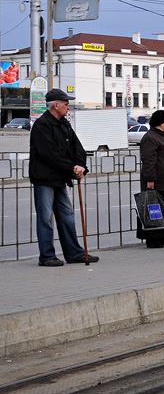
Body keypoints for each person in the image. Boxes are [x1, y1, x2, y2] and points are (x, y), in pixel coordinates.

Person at [29, 89, 98, 266]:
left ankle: (74, 253)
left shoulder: (64, 124)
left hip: (60, 177)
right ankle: (47, 256)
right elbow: (49, 154)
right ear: (56, 105)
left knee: (67, 214)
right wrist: (71, 168)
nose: (68, 107)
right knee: (45, 218)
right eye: (66, 104)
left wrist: (80, 165)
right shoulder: (42, 125)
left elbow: (77, 148)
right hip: (45, 178)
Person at [138, 109, 164, 248]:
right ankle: (153, 238)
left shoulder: (162, 136)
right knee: (154, 210)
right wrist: (150, 179)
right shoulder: (150, 137)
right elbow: (148, 160)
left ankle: (163, 234)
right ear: (159, 123)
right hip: (157, 180)